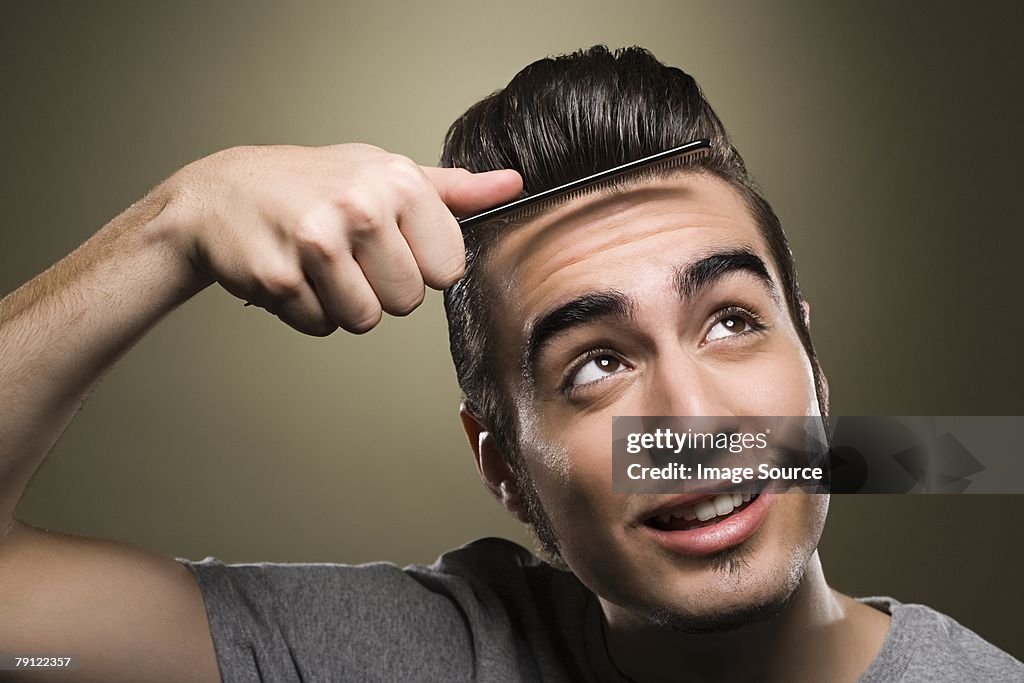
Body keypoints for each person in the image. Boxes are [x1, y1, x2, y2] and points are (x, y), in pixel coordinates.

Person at [0, 45, 1019, 683]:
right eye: (594, 364)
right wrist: (171, 225)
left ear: (815, 371)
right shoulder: (419, 652)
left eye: (729, 323)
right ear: (501, 465)